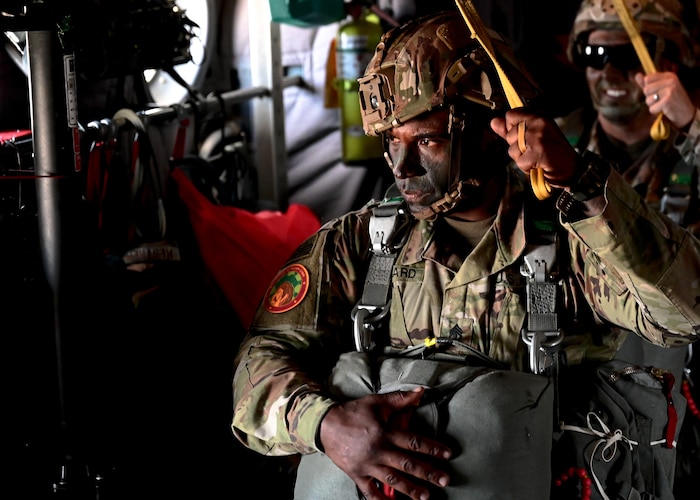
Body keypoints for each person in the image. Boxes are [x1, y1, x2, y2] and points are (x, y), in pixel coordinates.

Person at [231, 10, 700, 500]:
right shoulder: (360, 244)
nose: (402, 167)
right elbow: (261, 357)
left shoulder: (572, 241)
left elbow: (685, 312)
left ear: (489, 129)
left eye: (427, 140)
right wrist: (324, 424)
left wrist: (581, 182)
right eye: (392, 141)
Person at [556, 1, 700, 497]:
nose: (611, 72)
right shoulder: (554, 148)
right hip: (584, 397)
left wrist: (694, 125)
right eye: (596, 54)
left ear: (671, 61)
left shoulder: (691, 142)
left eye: (629, 55)